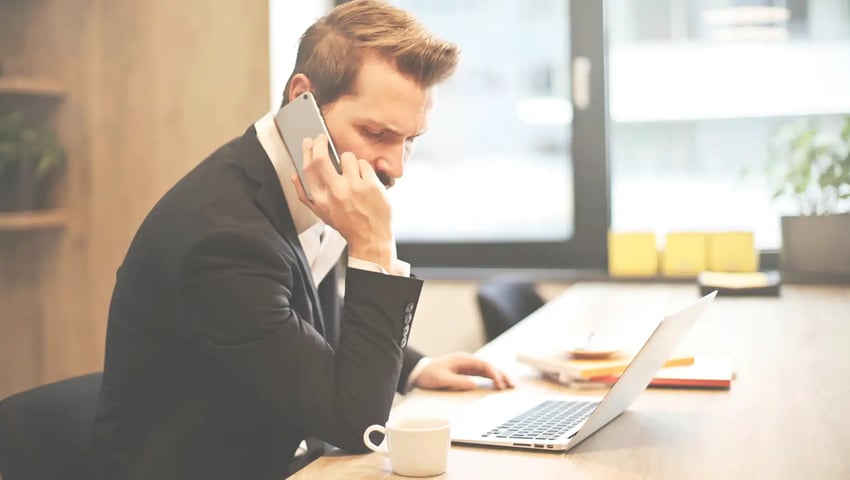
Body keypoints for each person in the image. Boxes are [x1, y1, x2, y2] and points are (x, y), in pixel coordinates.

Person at [91, 1, 513, 479]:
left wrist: (412, 369)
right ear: (301, 101)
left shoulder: (309, 183)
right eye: (376, 133)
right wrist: (373, 248)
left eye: (410, 140)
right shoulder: (222, 239)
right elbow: (357, 424)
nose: (396, 167)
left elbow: (304, 322)